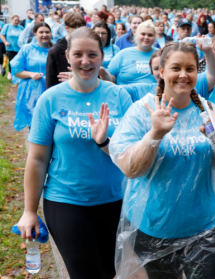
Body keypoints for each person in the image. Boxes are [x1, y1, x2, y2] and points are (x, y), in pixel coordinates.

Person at [110, 41, 215, 279]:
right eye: (175, 68)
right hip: (154, 229)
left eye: (190, 68)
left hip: (205, 227)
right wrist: (155, 134)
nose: (183, 75)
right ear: (162, 71)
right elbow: (129, 168)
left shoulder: (208, 110)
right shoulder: (142, 111)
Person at [16, 26, 132, 279]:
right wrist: (29, 211)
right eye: (78, 54)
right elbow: (37, 159)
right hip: (66, 201)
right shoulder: (51, 99)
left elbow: (133, 153)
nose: (85, 61)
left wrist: (105, 141)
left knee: (108, 271)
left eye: (92, 54)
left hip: (116, 201)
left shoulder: (120, 95)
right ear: (67, 57)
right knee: (85, 273)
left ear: (102, 57)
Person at [11, 23, 52, 131]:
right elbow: (16, 71)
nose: (44, 35)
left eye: (47, 32)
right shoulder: (26, 49)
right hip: (31, 94)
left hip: (51, 92)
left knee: (51, 125)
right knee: (34, 126)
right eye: (41, 32)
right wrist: (31, 74)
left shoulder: (55, 50)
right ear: (35, 34)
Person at [105, 20, 157, 85]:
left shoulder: (160, 54)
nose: (146, 37)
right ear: (136, 35)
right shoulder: (123, 54)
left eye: (150, 35)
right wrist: (102, 72)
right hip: (126, 93)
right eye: (143, 34)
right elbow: (110, 76)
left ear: (154, 38)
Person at [46, 12, 86, 89]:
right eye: (75, 30)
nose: (79, 33)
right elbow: (50, 81)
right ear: (67, 29)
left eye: (81, 30)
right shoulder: (55, 50)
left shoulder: (88, 46)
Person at [0, 15, 24, 80]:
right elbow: (1, 35)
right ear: (11, 19)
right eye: (15, 20)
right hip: (10, 48)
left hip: (19, 48)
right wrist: (5, 42)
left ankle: (19, 74)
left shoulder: (21, 27)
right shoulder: (7, 26)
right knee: (12, 61)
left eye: (18, 20)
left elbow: (24, 36)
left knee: (19, 62)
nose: (17, 22)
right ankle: (10, 73)